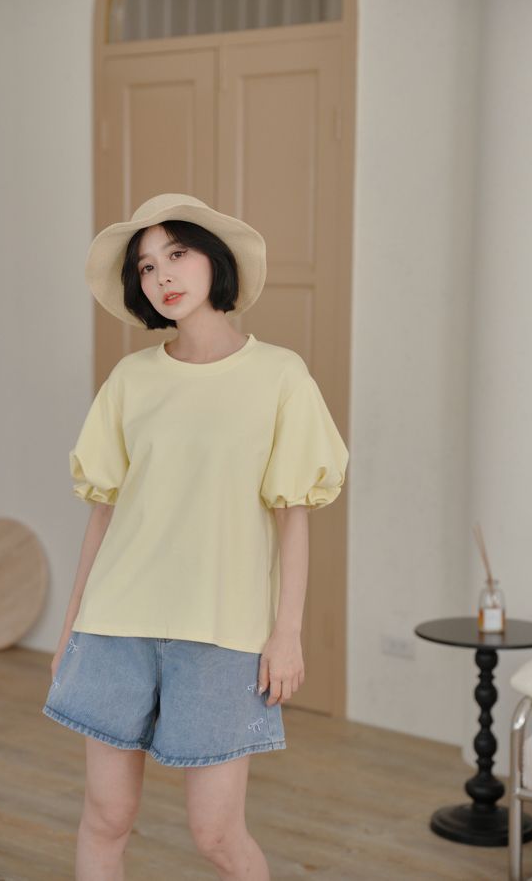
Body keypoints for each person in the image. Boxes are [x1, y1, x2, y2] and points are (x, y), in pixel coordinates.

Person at [42, 193, 349, 880]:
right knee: (105, 818)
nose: (163, 276)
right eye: (147, 267)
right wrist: (70, 627)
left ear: (215, 261)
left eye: (177, 254)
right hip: (115, 624)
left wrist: (287, 633)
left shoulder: (280, 376)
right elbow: (104, 512)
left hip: (222, 632)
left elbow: (293, 513)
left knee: (216, 835)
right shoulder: (131, 379)